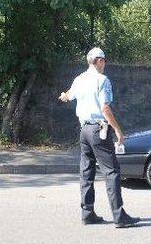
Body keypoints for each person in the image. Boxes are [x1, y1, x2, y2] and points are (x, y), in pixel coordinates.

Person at [58, 47, 140, 228]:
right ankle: (120, 216)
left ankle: (87, 214)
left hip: (84, 131)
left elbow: (68, 96)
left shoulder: (79, 79)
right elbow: (105, 108)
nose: (105, 65)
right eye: (105, 61)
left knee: (86, 172)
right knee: (111, 171)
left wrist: (63, 96)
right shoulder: (103, 80)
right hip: (99, 130)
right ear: (100, 61)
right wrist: (118, 130)